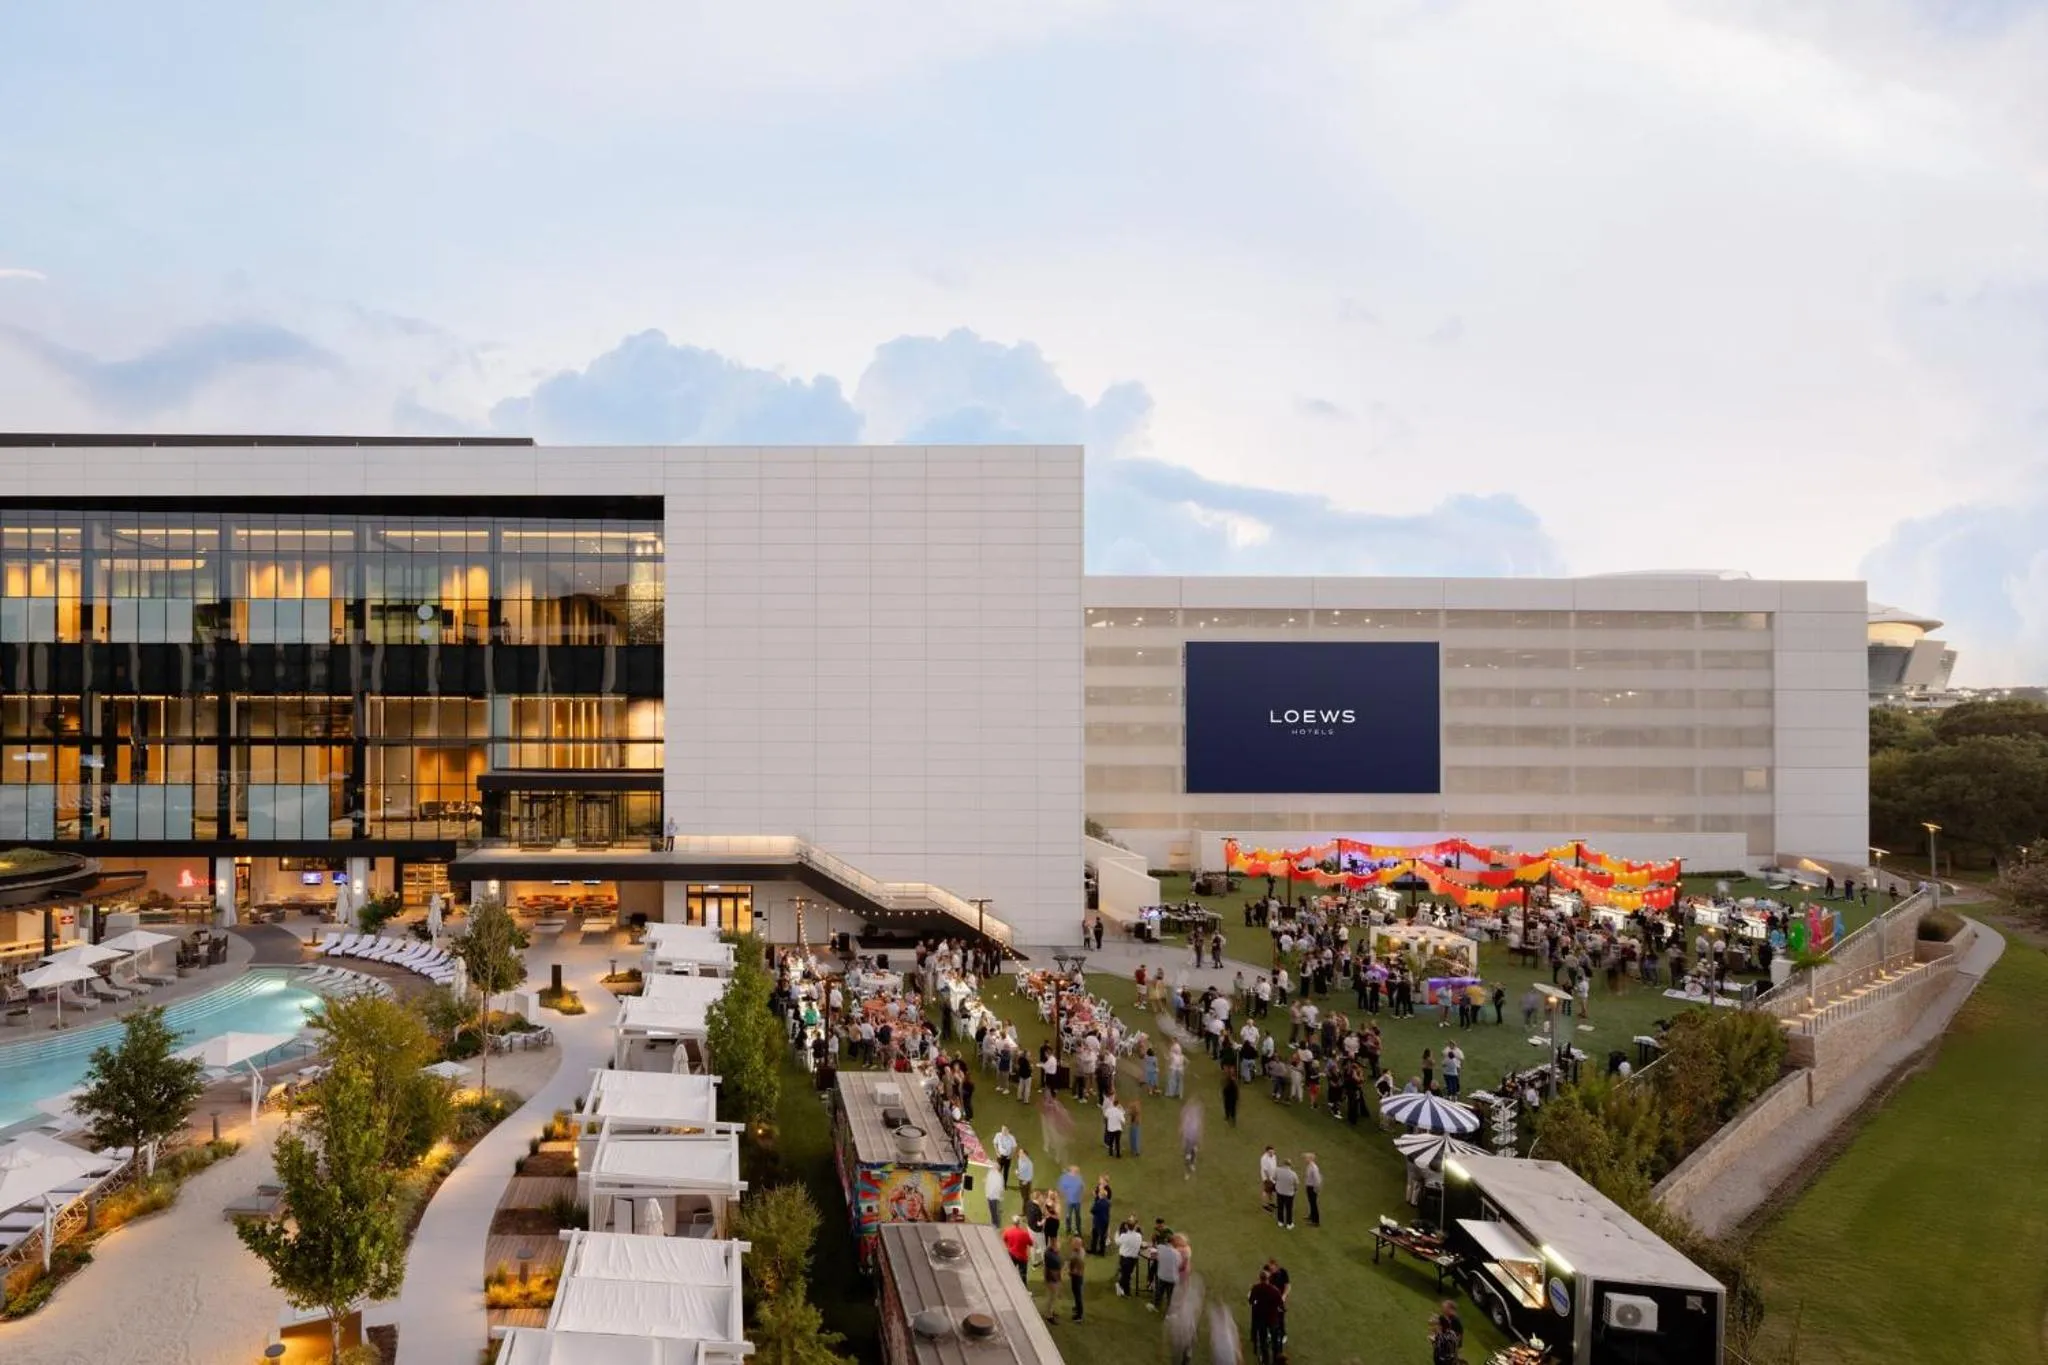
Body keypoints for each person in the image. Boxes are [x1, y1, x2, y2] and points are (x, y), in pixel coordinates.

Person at [1248, 1270, 1285, 1365]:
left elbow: (1251, 1301)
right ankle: (1276, 1360)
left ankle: (1265, 1361)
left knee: (1263, 1341)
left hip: (1261, 1318)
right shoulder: (1275, 1290)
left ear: (1260, 1278)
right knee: (1274, 1341)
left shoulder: (1256, 1288)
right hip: (1272, 1319)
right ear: (1268, 1279)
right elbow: (1281, 1305)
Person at [1115, 1217, 1144, 1296]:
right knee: (1127, 1275)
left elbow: (1117, 1242)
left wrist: (1117, 1233)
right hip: (1133, 1259)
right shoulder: (1139, 1236)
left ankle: (1122, 1287)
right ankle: (1123, 1289)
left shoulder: (1124, 1236)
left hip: (1124, 1258)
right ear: (1135, 1226)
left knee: (1126, 1275)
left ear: (1127, 1226)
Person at [1041, 1231, 1065, 1322]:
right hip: (1052, 1280)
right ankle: (1048, 1315)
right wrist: (1059, 1280)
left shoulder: (1048, 1252)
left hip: (1049, 1277)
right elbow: (1055, 1271)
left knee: (1052, 1297)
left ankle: (1050, 1311)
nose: (1059, 1245)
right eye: (1058, 1242)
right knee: (1052, 1297)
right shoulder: (1053, 1257)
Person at [1002, 1215, 1034, 1281]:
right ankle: (1023, 1288)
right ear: (1019, 1223)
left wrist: (1008, 1246)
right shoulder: (1024, 1233)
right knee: (1022, 1275)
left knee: (1010, 1271)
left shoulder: (1007, 1231)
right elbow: (1031, 1243)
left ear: (1012, 1223)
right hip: (1022, 1257)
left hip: (1011, 1254)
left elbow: (1003, 1239)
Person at [1271, 1156, 1299, 1229]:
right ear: (1290, 1165)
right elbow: (1296, 1183)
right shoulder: (1293, 1174)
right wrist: (1295, 1190)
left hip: (1279, 1192)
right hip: (1289, 1194)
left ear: (1283, 1164)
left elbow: (1273, 1178)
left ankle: (1280, 1221)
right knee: (1289, 1208)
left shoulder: (1278, 1170)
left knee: (1280, 1207)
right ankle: (1289, 1223)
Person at [1089, 1177, 1113, 1256]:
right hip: (1105, 1221)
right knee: (1103, 1237)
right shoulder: (1108, 1202)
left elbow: (1092, 1211)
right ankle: (1102, 1252)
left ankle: (1093, 1249)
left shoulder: (1098, 1203)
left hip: (1098, 1222)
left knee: (1095, 1236)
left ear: (1101, 1195)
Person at [1058, 1166, 1085, 1236]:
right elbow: (1061, 1187)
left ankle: (1078, 1229)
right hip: (1069, 1201)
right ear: (1071, 1171)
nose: (1077, 1173)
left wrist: (1080, 1195)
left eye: (1077, 1172)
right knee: (1068, 1216)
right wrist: (1065, 1195)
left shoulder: (1079, 1177)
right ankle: (1068, 1229)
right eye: (1075, 1171)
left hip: (1077, 1201)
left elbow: (1082, 1187)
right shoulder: (1065, 1178)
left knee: (1078, 1216)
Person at [1067, 1233, 1088, 1321]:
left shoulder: (1077, 1255)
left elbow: (1075, 1269)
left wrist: (1070, 1272)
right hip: (1077, 1275)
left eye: (1074, 1242)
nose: (1072, 1243)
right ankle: (1077, 1307)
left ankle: (1079, 1315)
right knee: (1076, 1292)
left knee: (1077, 1294)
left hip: (1077, 1276)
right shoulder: (1080, 1250)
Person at [1302, 1152, 1322, 1227]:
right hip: (1309, 1186)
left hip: (1312, 1187)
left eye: (1306, 1158)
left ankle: (1316, 1221)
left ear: (1310, 1159)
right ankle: (1311, 1216)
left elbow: (1317, 1179)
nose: (1305, 1159)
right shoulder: (1309, 1166)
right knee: (1311, 1202)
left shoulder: (1314, 1168)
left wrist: (1316, 1188)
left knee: (1313, 1204)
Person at [1259, 1145, 1278, 1211]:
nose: (1272, 1153)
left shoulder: (1274, 1156)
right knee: (1266, 1191)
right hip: (1267, 1177)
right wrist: (1268, 1179)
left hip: (1273, 1177)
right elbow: (1265, 1170)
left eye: (1272, 1152)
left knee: (1271, 1190)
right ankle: (1264, 1204)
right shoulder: (1264, 1158)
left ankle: (1271, 1203)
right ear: (1267, 1152)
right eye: (1270, 1152)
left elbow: (1275, 1166)